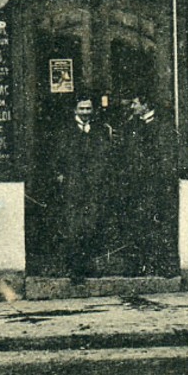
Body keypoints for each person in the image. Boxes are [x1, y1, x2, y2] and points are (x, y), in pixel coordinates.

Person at [55, 97, 112, 284]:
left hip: (94, 187)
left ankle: (88, 266)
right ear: (75, 110)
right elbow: (58, 158)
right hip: (73, 187)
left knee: (91, 226)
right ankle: (74, 269)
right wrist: (62, 176)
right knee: (73, 228)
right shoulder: (65, 131)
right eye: (82, 108)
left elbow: (105, 156)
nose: (86, 112)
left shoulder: (100, 131)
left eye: (89, 108)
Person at [121, 94, 179, 277]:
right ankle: (138, 265)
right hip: (137, 185)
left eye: (135, 103)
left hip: (157, 185)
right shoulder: (132, 126)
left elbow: (166, 157)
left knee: (160, 225)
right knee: (138, 224)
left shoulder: (163, 125)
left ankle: (163, 266)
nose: (132, 107)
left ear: (146, 105)